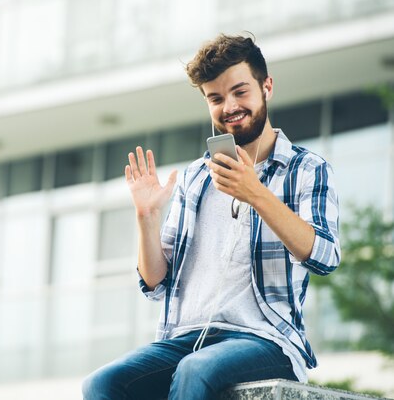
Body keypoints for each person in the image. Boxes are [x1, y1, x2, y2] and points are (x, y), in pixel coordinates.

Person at [82, 33, 340, 400]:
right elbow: (155, 282)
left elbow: (325, 257)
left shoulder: (307, 169)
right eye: (216, 98)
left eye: (240, 92)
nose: (229, 106)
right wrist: (147, 217)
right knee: (101, 383)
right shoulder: (196, 177)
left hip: (266, 338)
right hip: (186, 336)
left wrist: (257, 194)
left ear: (267, 87)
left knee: (196, 368)